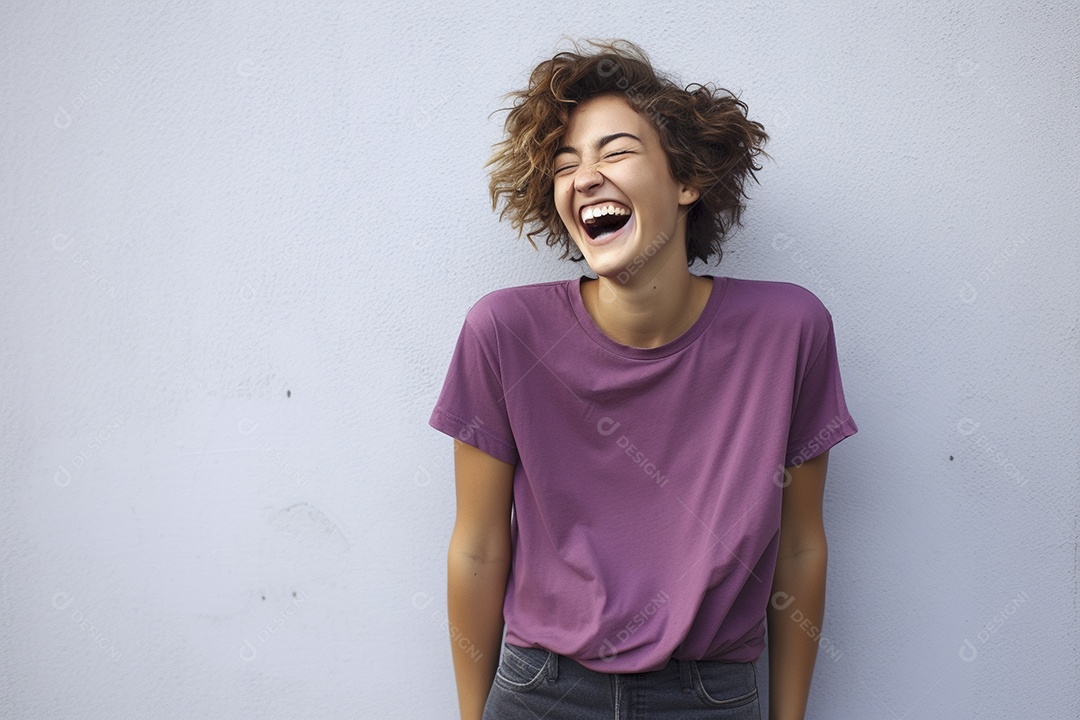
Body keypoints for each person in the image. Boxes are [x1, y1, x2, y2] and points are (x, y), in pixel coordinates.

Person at [428, 38, 858, 720]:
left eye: (616, 151)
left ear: (687, 180)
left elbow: (801, 542)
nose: (584, 177)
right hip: (540, 691)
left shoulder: (789, 331)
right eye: (565, 165)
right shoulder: (503, 334)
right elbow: (478, 546)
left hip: (711, 696)